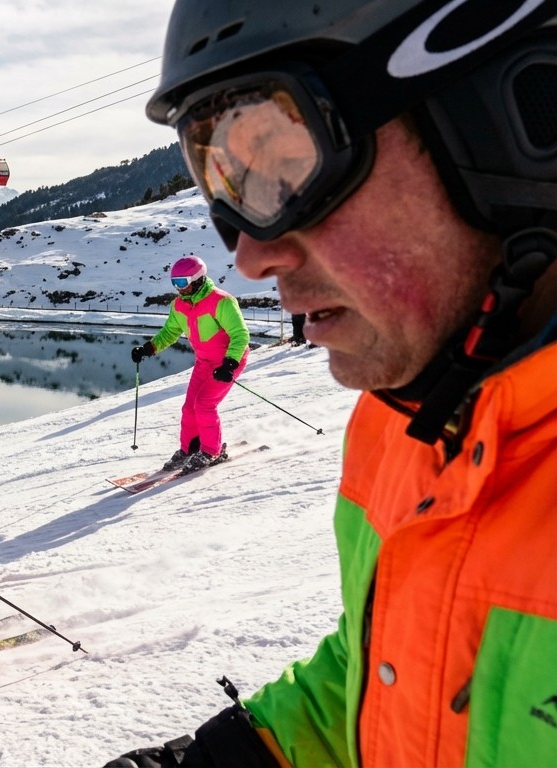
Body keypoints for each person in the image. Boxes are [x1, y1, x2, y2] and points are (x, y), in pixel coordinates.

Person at [108, 2, 557, 766]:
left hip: (224, 366)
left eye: (288, 171)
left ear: (516, 124)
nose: (251, 254)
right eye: (226, 185)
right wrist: (244, 756)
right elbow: (389, 666)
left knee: (200, 403)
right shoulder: (398, 425)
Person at [131, 255, 249, 473]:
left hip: (227, 361)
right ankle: (189, 449)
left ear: (198, 279)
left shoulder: (221, 301)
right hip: (204, 361)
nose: (179, 288)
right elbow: (170, 332)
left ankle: (213, 451)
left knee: (204, 404)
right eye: (175, 283)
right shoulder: (178, 305)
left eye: (182, 283)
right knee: (189, 407)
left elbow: (240, 335)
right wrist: (149, 348)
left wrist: (230, 363)